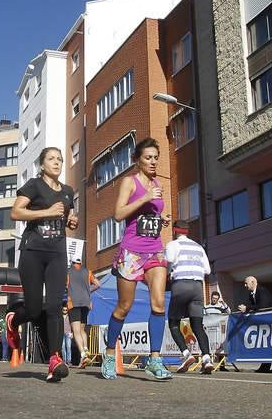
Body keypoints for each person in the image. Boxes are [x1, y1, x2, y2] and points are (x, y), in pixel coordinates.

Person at [100, 138, 172, 381]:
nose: (153, 162)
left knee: (159, 302)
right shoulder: (129, 182)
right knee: (124, 306)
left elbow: (151, 214)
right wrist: (144, 198)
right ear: (137, 160)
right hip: (131, 251)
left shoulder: (157, 183)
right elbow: (118, 214)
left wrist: (160, 220)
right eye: (148, 157)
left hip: (154, 249)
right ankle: (110, 355)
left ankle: (154, 359)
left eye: (155, 157)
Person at [6, 146, 78, 383]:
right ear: (43, 165)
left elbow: (68, 217)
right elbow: (16, 213)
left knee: (56, 305)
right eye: (51, 159)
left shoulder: (68, 192)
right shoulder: (34, 186)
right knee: (35, 308)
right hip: (33, 252)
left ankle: (55, 358)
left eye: (59, 159)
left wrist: (72, 220)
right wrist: (45, 212)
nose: (57, 162)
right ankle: (13, 320)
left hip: (57, 253)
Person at [165, 220, 214, 374]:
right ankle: (206, 359)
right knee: (197, 325)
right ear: (187, 231)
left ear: (175, 231)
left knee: (173, 323)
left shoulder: (172, 245)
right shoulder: (198, 247)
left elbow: (170, 262)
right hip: (198, 287)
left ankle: (186, 354)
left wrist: (168, 273)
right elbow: (207, 270)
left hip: (181, 285)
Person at [66, 254, 100, 368]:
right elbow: (97, 284)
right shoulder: (88, 272)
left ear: (72, 262)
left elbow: (64, 286)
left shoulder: (68, 272)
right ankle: (86, 349)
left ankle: (83, 355)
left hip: (73, 302)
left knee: (75, 330)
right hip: (86, 303)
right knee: (82, 329)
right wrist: (87, 291)